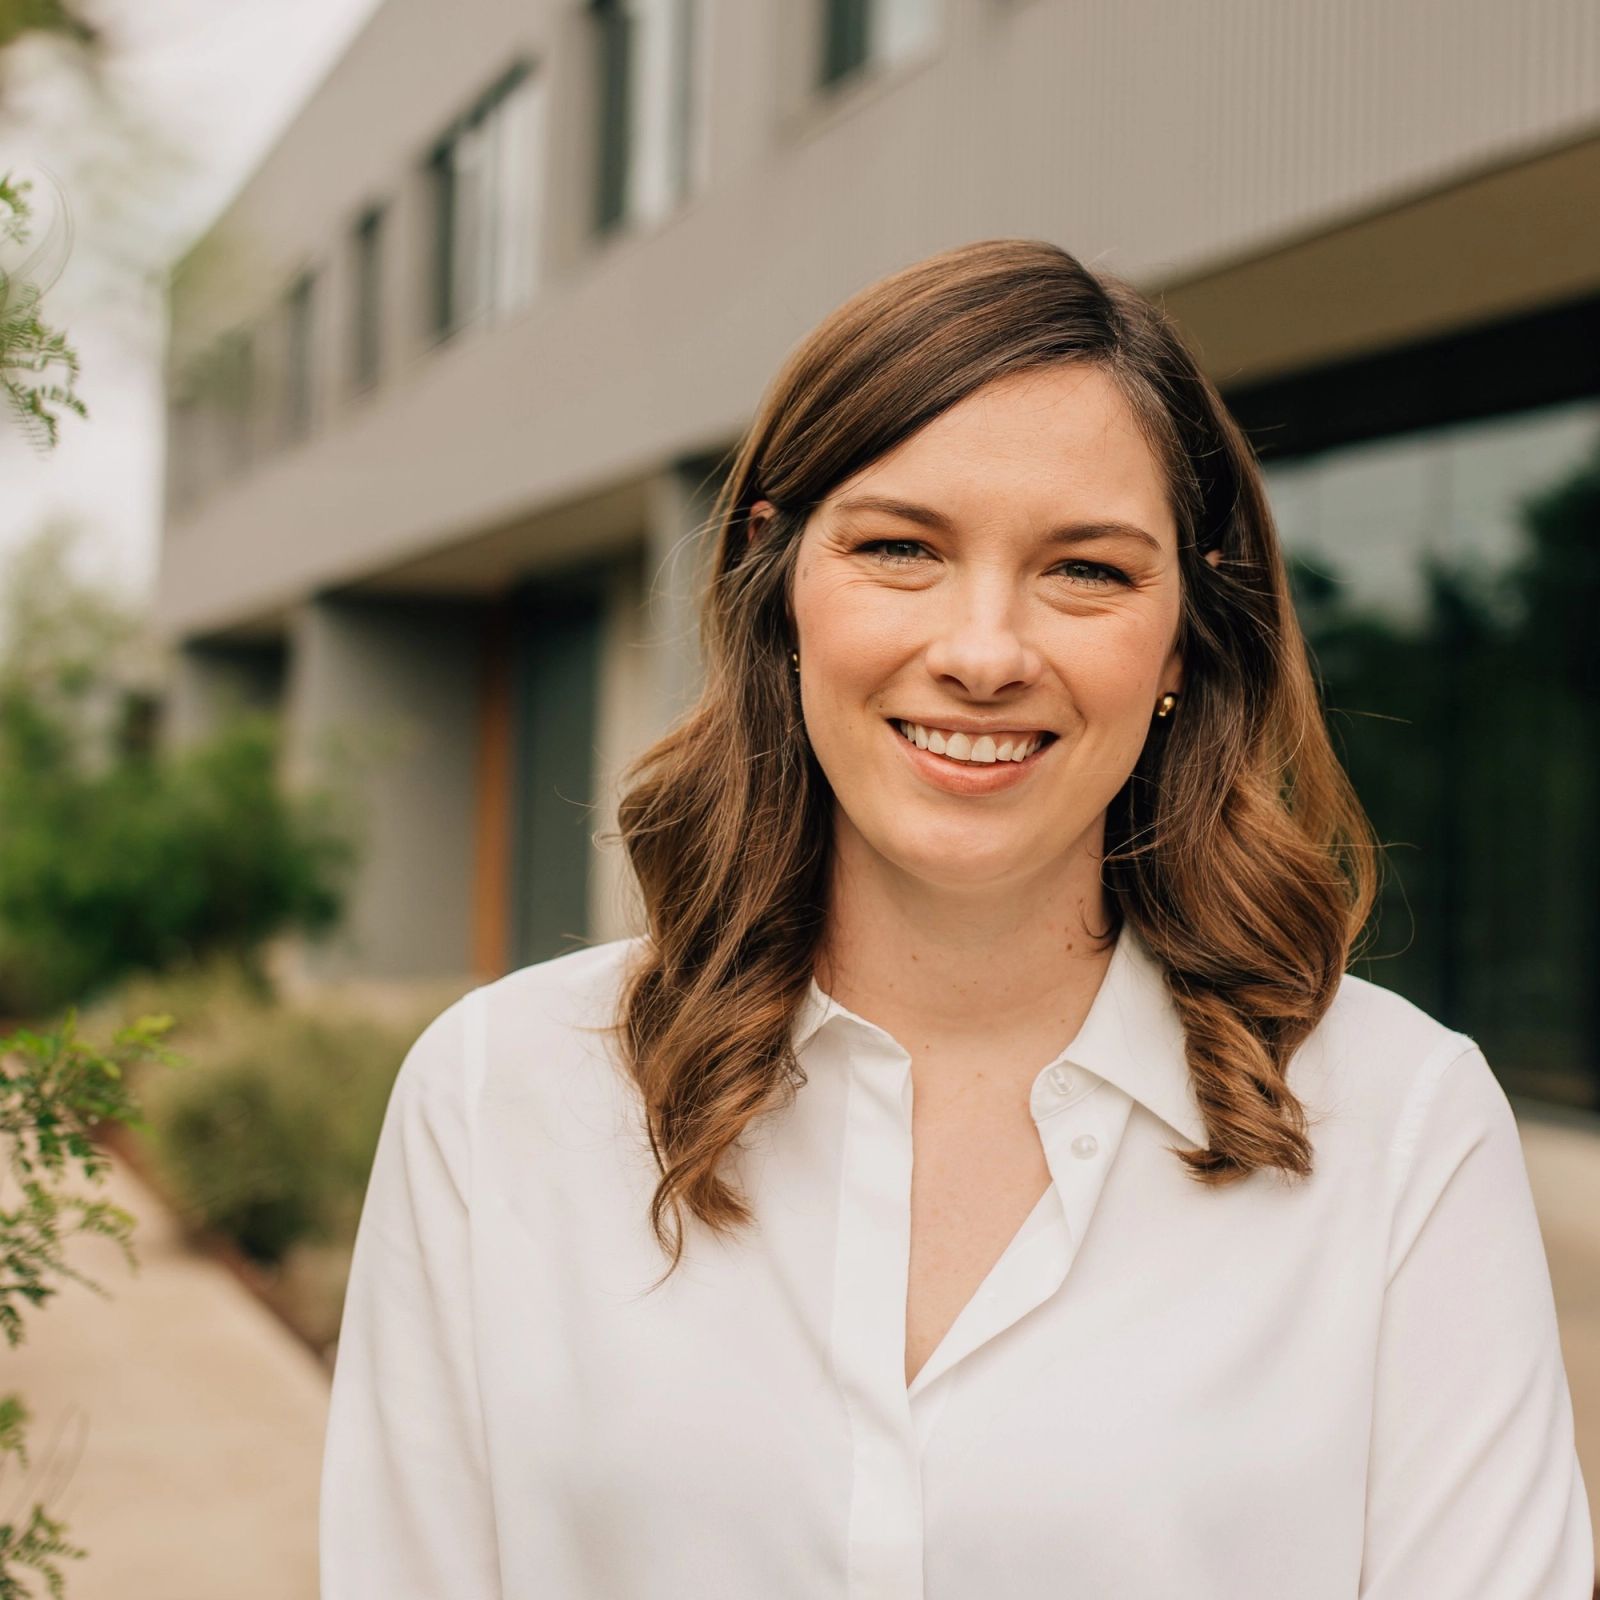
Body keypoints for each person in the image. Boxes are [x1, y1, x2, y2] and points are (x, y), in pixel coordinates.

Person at [319, 239, 1594, 1598]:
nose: (985, 654)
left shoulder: (1401, 1124)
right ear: (778, 582)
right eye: (900, 549)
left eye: (1085, 570)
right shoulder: (497, 1093)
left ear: (1181, 635)